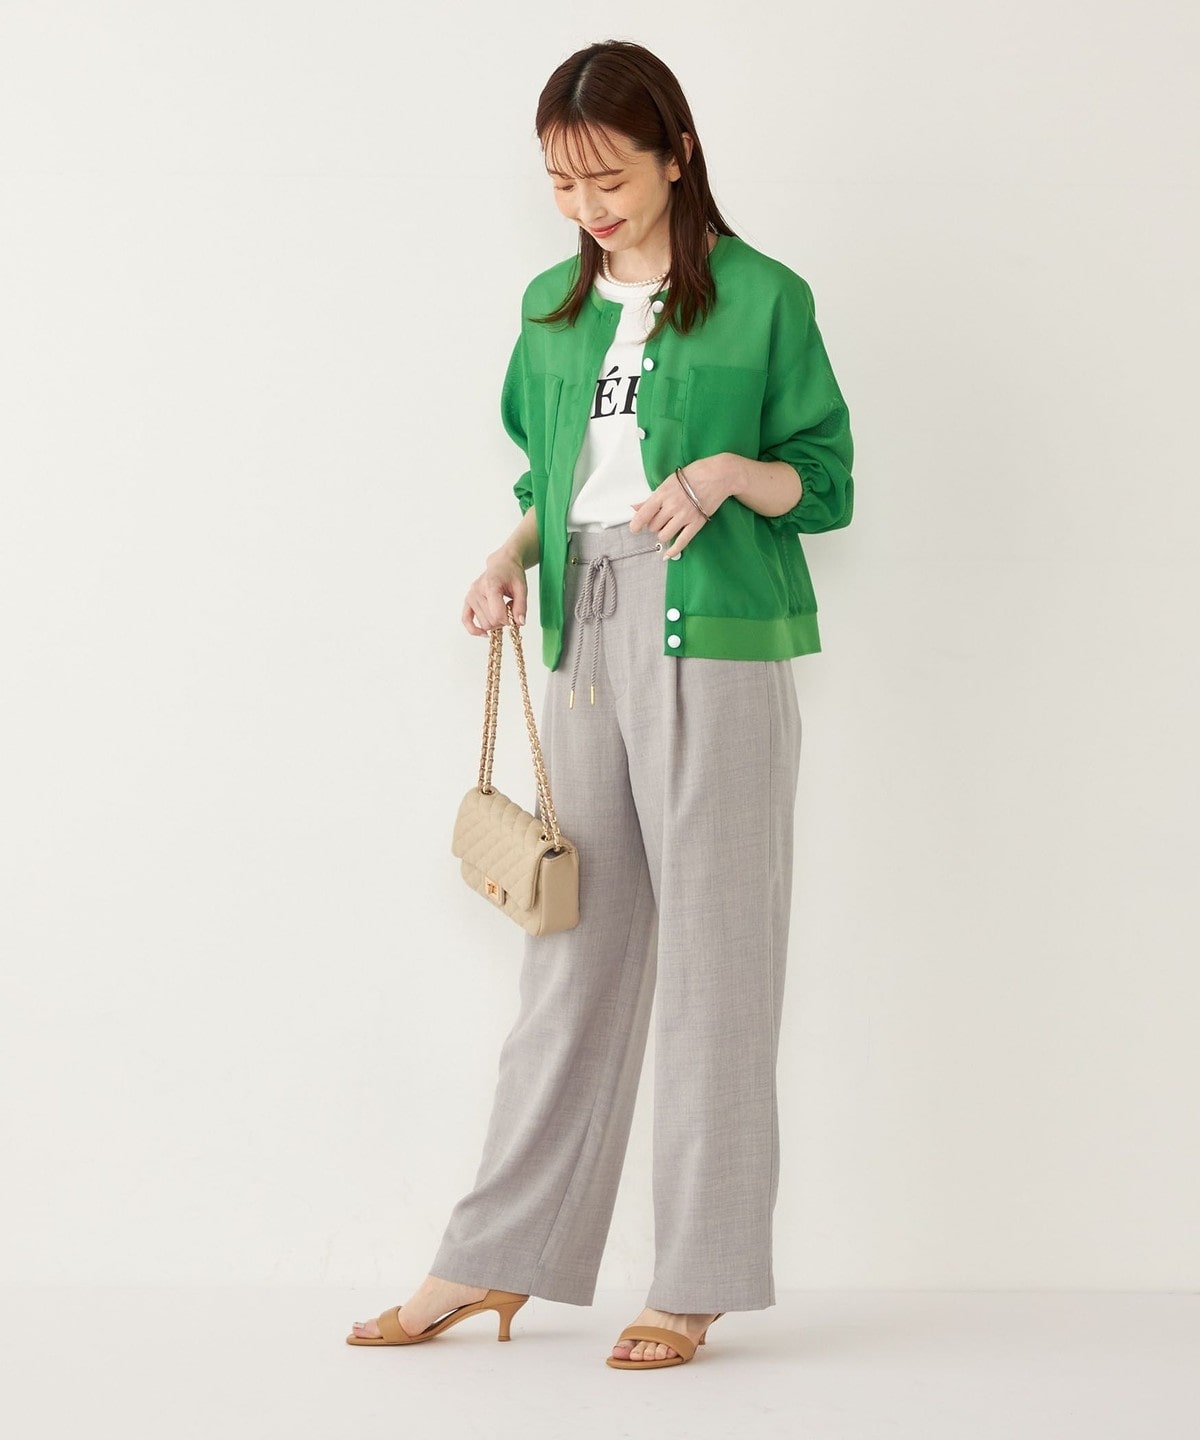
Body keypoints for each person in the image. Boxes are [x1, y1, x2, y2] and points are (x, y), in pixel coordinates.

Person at [347, 38, 854, 1370]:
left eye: (609, 177)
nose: (588, 206)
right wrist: (507, 562)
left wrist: (729, 472)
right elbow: (552, 481)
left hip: (718, 635)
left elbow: (826, 481)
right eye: (563, 183)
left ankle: (695, 1280)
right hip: (587, 628)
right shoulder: (550, 310)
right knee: (569, 949)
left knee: (719, 965)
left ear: (676, 155)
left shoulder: (765, 296)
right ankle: (492, 1256)